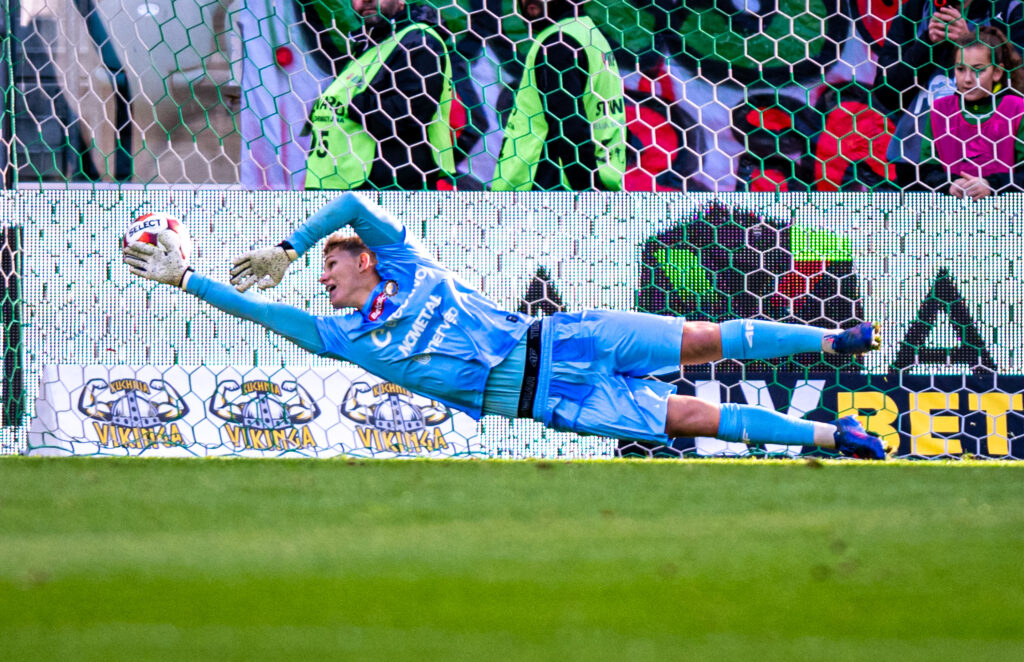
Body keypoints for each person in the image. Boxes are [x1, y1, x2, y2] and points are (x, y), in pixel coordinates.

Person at [121, 193, 892, 460]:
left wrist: (289, 246)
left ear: (365, 259)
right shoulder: (343, 336)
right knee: (694, 416)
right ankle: (837, 436)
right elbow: (261, 312)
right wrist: (188, 280)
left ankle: (833, 340)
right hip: (553, 400)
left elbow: (353, 204)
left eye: (331, 266)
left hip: (567, 336)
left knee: (702, 338)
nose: (322, 281)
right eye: (318, 271)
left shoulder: (410, 262)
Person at [304, 0, 455, 190]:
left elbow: (410, 112)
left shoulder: (418, 41)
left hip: (389, 188)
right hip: (345, 182)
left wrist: (357, 104)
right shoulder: (370, 44)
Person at [873, 0, 1024, 184]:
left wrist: (969, 43)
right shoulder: (915, 10)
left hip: (991, 166)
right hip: (918, 165)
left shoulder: (1009, 9)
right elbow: (886, 93)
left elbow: (1018, 85)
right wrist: (927, 45)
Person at [491, 0, 627, 191]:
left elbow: (570, 127)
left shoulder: (558, 44)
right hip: (592, 179)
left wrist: (588, 193)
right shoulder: (587, 33)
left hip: (549, 189)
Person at [917, 27, 1024, 197]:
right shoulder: (940, 110)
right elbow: (927, 170)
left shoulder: (1017, 108)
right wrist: (951, 183)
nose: (967, 79)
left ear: (997, 72)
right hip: (952, 208)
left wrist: (991, 185)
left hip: (1006, 208)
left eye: (978, 69)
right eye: (960, 69)